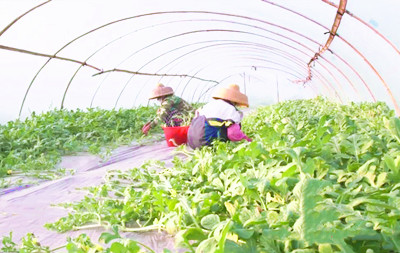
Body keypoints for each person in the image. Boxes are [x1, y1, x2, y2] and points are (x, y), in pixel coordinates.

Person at [187, 84, 251, 149]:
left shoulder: (209, 105)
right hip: (207, 144)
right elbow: (233, 134)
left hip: (192, 143)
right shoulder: (231, 110)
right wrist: (247, 140)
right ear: (236, 101)